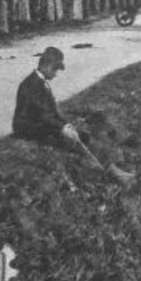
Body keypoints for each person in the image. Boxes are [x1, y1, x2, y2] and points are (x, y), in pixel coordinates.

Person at [13, 47, 131, 182]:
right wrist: (62, 128)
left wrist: (67, 125)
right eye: (55, 69)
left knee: (81, 136)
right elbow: (42, 115)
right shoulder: (32, 84)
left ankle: (111, 169)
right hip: (28, 128)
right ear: (47, 66)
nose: (56, 74)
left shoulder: (40, 81)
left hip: (40, 124)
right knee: (69, 141)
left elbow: (52, 111)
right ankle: (106, 173)